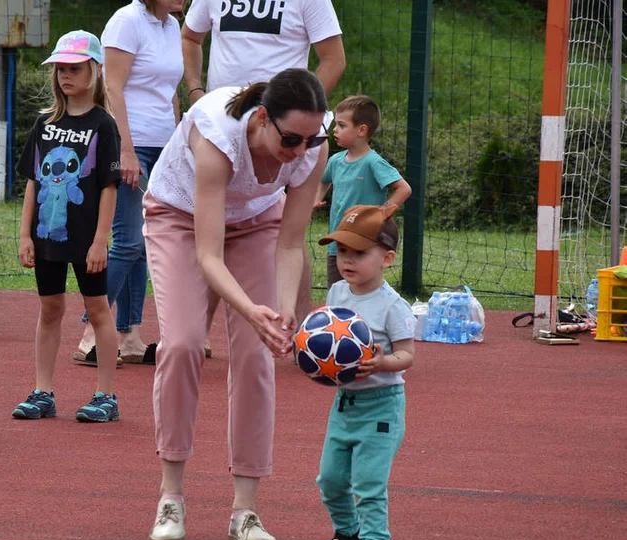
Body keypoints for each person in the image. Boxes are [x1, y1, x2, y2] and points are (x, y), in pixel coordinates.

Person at [143, 69, 329, 540]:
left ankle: (245, 512)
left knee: (256, 354)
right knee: (182, 343)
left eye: (311, 140)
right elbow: (208, 256)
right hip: (180, 219)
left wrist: (282, 312)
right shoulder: (217, 133)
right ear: (263, 118)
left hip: (256, 225)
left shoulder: (311, 147)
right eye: (290, 138)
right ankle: (171, 499)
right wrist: (250, 309)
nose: (299, 151)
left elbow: (291, 243)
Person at [181, 0, 345, 356]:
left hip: (279, 132)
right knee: (214, 226)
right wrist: (196, 91)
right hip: (229, 130)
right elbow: (191, 37)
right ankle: (199, 332)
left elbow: (334, 58)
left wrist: (297, 119)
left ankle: (299, 331)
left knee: (289, 227)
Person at [13, 31, 122, 423]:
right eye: (60, 69)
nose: (65, 76)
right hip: (47, 237)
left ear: (94, 71)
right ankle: (43, 392)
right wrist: (25, 234)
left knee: (97, 310)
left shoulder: (103, 125)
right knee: (50, 308)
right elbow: (33, 182)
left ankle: (106, 396)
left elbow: (109, 188)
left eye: (74, 68)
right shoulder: (45, 123)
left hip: (87, 240)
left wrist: (100, 240)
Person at [73, 0, 185, 367]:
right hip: (128, 141)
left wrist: (179, 144)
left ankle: (130, 336)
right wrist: (126, 149)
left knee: (143, 242)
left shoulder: (170, 26)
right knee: (128, 239)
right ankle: (92, 331)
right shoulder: (126, 21)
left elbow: (171, 93)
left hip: (163, 145)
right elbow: (112, 88)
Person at [310, 204, 415, 540]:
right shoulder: (338, 291)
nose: (347, 260)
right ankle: (348, 534)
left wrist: (385, 362)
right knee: (331, 479)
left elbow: (407, 355)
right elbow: (326, 337)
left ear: (386, 258)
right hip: (344, 404)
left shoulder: (392, 306)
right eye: (342, 251)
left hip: (382, 406)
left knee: (368, 482)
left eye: (359, 252)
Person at [315, 95, 412, 286]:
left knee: (363, 293)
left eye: (342, 125)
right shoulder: (335, 161)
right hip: (337, 245)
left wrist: (382, 213)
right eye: (336, 124)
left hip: (365, 244)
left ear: (361, 130)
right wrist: (316, 199)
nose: (335, 129)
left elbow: (404, 189)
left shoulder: (373, 162)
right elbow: (322, 182)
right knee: (336, 295)